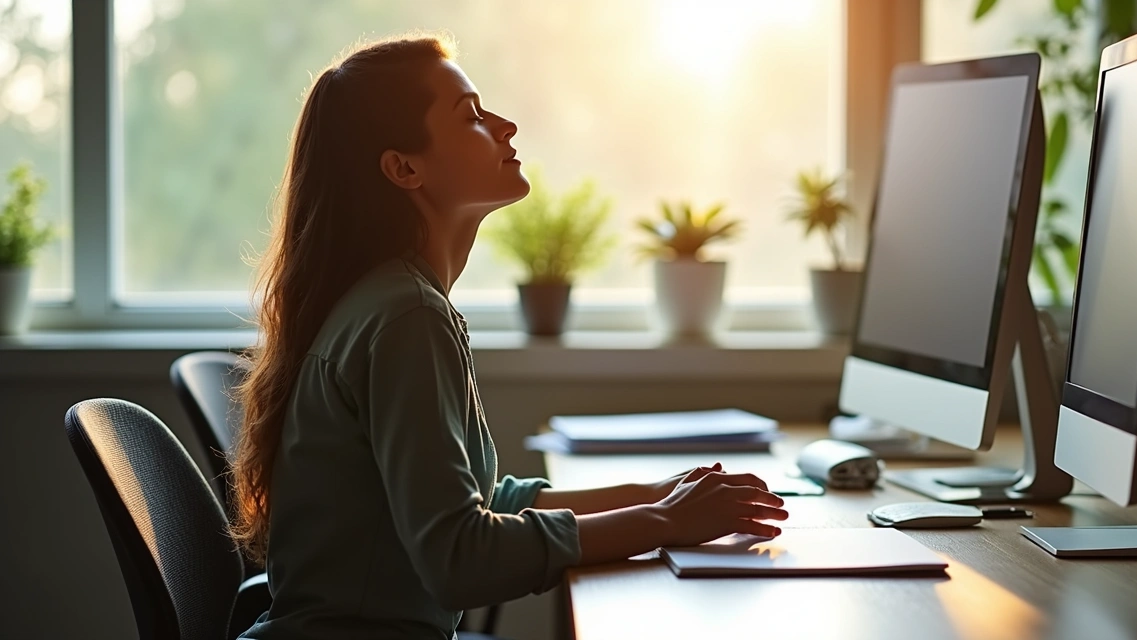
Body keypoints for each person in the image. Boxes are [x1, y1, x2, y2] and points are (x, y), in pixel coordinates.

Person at [232, 33, 788, 640]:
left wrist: (657, 495)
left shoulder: (394, 301)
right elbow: (460, 557)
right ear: (404, 168)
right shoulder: (405, 316)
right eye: (471, 116)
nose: (506, 125)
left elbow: (485, 500)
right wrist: (660, 521)